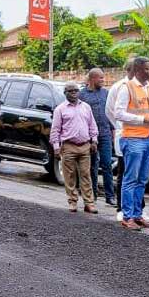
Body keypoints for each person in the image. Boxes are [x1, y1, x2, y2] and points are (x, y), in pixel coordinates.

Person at [111, 56, 149, 231]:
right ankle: (127, 215)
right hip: (132, 138)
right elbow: (118, 113)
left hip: (148, 138)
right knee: (130, 178)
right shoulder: (127, 87)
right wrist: (143, 119)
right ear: (138, 70)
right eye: (148, 68)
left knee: (143, 179)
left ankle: (138, 213)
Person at [51, 82, 99, 213]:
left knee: (86, 175)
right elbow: (55, 130)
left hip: (85, 146)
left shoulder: (86, 107)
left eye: (76, 90)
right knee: (69, 176)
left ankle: (89, 203)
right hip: (68, 146)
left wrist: (94, 141)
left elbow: (92, 125)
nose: (73, 93)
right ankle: (72, 201)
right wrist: (56, 147)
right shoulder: (60, 109)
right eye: (70, 91)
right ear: (65, 93)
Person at [79, 68, 115, 206]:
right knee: (92, 166)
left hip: (105, 134)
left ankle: (109, 196)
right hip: (89, 136)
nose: (102, 80)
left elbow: (111, 114)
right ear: (93, 79)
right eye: (100, 78)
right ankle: (92, 194)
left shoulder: (106, 93)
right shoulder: (82, 95)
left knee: (107, 164)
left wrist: (112, 132)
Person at [107, 58, 136, 217]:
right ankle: (121, 208)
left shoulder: (142, 87)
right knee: (124, 173)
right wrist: (119, 127)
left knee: (136, 175)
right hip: (124, 135)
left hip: (139, 137)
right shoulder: (119, 87)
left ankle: (136, 208)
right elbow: (110, 111)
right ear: (132, 70)